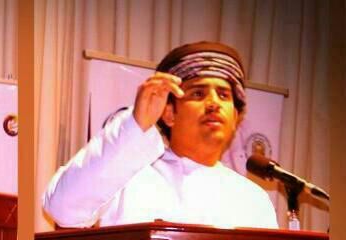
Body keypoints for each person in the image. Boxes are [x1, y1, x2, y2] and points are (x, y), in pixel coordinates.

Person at [43, 41, 278, 229]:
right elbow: (63, 209)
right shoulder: (126, 176)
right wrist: (135, 125)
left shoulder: (253, 200)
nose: (214, 103)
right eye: (198, 94)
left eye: (224, 95)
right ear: (169, 113)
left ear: (236, 117)